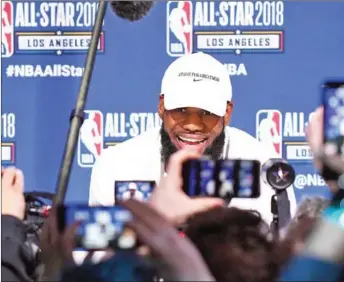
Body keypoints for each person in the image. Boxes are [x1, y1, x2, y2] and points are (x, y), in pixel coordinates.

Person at [88, 52, 297, 225]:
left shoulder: (262, 165)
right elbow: (100, 262)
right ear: (162, 107)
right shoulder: (116, 164)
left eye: (207, 112)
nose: (192, 124)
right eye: (180, 110)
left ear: (227, 112)